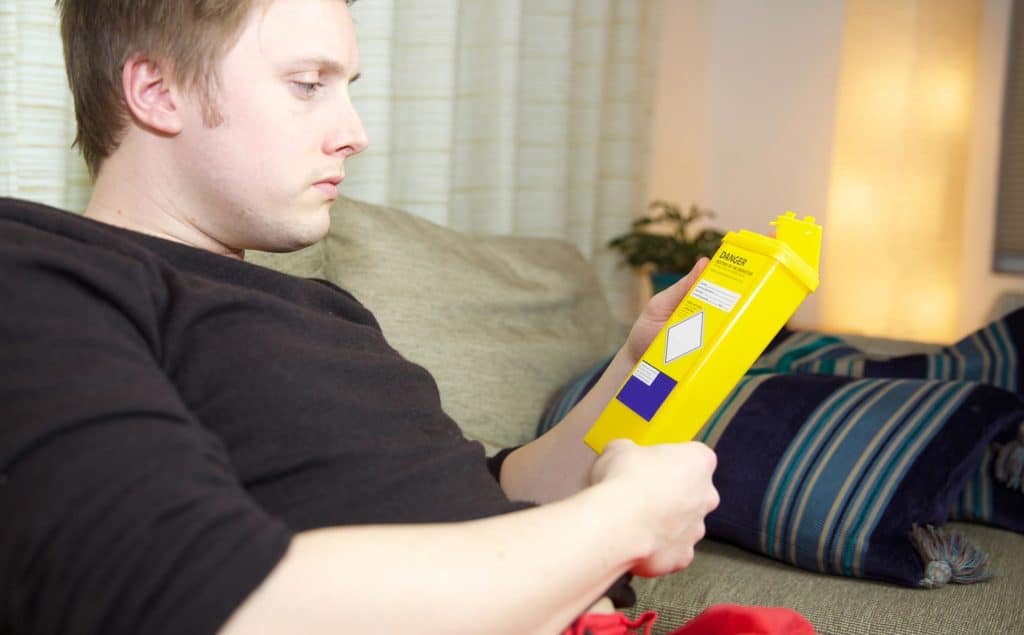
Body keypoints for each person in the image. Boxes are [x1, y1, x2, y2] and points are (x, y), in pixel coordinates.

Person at [0, 1, 719, 633]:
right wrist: (623, 519)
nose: (355, 133)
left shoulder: (324, 308)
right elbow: (192, 601)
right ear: (157, 91)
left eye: (346, 88)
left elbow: (496, 495)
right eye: (308, 85)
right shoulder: (41, 273)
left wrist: (639, 362)